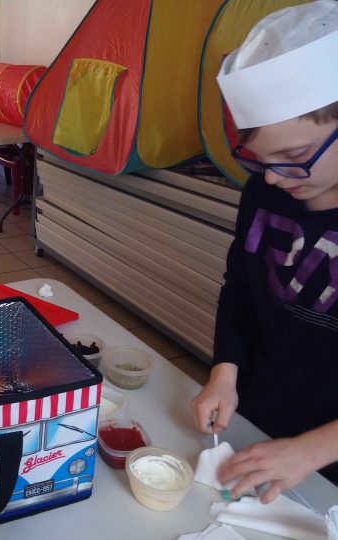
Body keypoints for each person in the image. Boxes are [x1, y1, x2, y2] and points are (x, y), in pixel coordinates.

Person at [192, 0, 338, 504]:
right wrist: (224, 374)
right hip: (261, 422)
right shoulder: (268, 192)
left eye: (294, 157)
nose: (274, 177)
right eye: (261, 159)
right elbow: (241, 290)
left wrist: (312, 451)